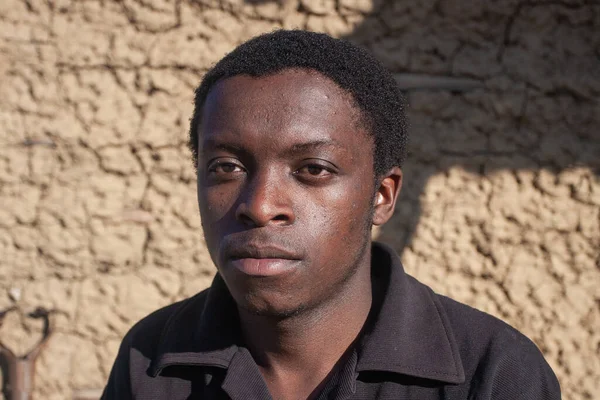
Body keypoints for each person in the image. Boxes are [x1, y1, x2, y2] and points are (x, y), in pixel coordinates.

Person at [101, 30, 560, 399]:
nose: (260, 206)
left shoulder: (491, 371)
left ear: (381, 196)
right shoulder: (152, 358)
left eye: (312, 169)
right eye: (227, 167)